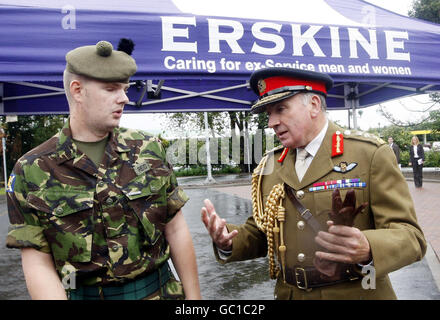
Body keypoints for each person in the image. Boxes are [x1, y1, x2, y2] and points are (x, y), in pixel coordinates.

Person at [201, 67, 426, 300]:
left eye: (280, 109)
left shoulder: (369, 155)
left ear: (314, 105)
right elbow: (263, 232)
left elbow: (411, 238)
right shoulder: (270, 164)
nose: (271, 122)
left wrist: (369, 247)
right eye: (269, 113)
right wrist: (227, 240)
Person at [5, 39, 201, 300]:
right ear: (77, 90)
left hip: (161, 292)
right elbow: (37, 261)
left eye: (125, 88)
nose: (124, 98)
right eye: (111, 89)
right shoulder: (32, 169)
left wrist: (195, 299)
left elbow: (175, 229)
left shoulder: (147, 148)